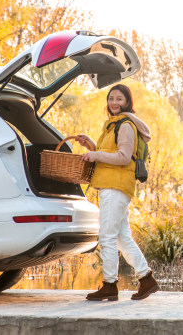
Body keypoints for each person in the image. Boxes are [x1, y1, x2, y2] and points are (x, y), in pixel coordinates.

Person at [74, 84, 160, 302]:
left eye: (119, 99)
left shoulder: (125, 125)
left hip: (116, 186)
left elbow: (123, 157)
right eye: (111, 98)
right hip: (113, 185)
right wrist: (91, 145)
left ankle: (110, 285)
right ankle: (147, 279)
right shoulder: (113, 124)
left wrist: (96, 155)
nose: (114, 102)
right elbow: (110, 153)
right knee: (122, 238)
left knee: (107, 237)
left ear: (127, 102)